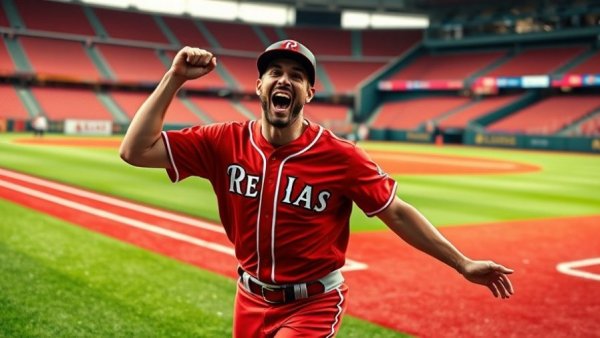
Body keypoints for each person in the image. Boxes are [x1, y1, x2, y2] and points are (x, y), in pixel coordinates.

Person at [120, 40, 514, 338]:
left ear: (309, 93)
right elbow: (134, 150)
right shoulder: (224, 142)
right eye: (275, 72)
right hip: (249, 297)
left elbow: (396, 210)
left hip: (313, 303)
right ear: (259, 86)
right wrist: (174, 79)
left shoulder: (341, 156)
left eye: (296, 75)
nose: (284, 80)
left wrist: (462, 263)